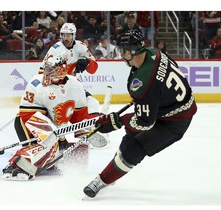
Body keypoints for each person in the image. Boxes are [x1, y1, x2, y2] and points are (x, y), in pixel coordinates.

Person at [83, 29, 197, 198]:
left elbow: (145, 122)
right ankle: (115, 167)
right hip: (167, 107)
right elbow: (168, 75)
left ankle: (102, 180)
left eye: (123, 51)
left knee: (135, 148)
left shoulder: (143, 82)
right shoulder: (154, 52)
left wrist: (115, 121)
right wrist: (154, 98)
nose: (122, 55)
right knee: (130, 135)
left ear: (131, 52)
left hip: (174, 122)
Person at [2, 54, 101, 180]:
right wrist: (54, 137)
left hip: (55, 128)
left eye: (51, 69)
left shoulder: (75, 85)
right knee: (49, 143)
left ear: (61, 70)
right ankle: (17, 165)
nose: (46, 72)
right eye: (46, 68)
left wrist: (84, 131)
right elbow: (28, 114)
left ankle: (45, 156)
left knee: (52, 152)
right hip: (28, 122)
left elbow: (78, 115)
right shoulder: (36, 83)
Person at [38, 23, 100, 116]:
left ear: (73, 36)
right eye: (63, 35)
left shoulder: (81, 46)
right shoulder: (55, 49)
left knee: (92, 102)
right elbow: (41, 72)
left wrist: (87, 61)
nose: (65, 38)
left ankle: (91, 124)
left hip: (72, 85)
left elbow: (93, 69)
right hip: (56, 86)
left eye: (68, 35)